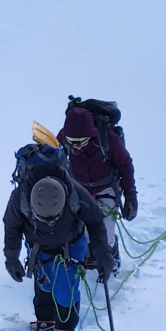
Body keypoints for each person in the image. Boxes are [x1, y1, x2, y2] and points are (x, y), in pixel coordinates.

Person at [3, 153, 116, 331]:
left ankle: (65, 330)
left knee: (66, 289)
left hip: (70, 245)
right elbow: (12, 228)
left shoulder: (76, 194)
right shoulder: (19, 197)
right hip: (38, 247)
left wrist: (103, 254)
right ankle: (45, 321)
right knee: (43, 283)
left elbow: (95, 221)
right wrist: (11, 258)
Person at [59, 100, 138, 271]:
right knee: (82, 230)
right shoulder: (63, 138)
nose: (76, 146)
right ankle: (90, 257)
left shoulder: (108, 139)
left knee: (106, 231)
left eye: (81, 141)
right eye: (72, 141)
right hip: (79, 189)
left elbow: (125, 164)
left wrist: (130, 195)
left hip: (106, 188)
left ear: (92, 134)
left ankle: (111, 255)